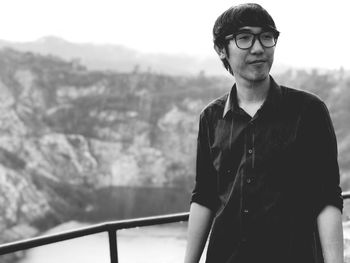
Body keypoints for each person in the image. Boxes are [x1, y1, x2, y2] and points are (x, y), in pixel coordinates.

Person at [184, 3, 344, 263]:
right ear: (221, 50)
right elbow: (204, 196)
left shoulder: (309, 111)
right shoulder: (211, 118)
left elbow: (326, 197)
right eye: (244, 38)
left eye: (266, 37)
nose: (258, 48)